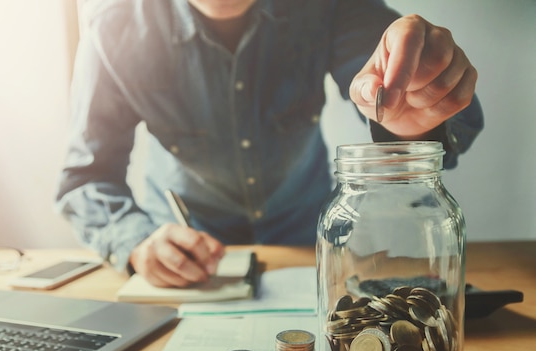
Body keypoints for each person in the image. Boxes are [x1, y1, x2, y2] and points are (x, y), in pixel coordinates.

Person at [55, 0, 483, 288]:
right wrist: (137, 242)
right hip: (184, 259)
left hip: (312, 248)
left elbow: (415, 108)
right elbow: (86, 179)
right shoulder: (113, 30)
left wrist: (413, 118)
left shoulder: (332, 8)